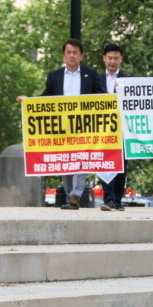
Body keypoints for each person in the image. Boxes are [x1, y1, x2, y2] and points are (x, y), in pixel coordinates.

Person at [41, 39, 104, 209]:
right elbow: (45, 97)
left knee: (81, 159)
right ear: (64, 55)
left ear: (81, 55)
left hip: (83, 125)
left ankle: (76, 194)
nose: (71, 55)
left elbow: (101, 96)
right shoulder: (54, 76)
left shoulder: (90, 74)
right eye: (68, 52)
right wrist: (28, 102)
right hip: (62, 127)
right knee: (66, 162)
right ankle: (70, 197)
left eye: (75, 52)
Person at [98, 42, 130, 211]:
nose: (112, 61)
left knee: (122, 164)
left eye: (116, 58)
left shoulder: (128, 80)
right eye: (109, 58)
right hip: (102, 129)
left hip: (123, 128)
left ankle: (117, 199)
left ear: (121, 59)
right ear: (104, 59)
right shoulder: (96, 79)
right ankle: (108, 198)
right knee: (105, 162)